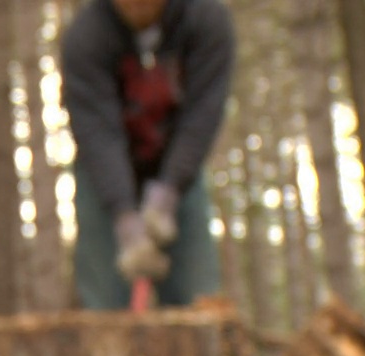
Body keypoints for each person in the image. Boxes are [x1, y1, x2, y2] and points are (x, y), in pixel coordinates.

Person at [61, 0, 235, 309]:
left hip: (180, 170)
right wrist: (124, 216)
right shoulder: (85, 37)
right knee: (103, 304)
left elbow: (202, 115)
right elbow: (97, 134)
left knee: (199, 300)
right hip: (103, 177)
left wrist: (169, 191)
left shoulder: (207, 21)